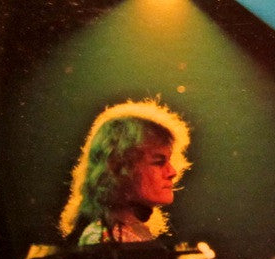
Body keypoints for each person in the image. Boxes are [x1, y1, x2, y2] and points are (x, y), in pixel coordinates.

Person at [58, 99, 191, 246]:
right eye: (159, 162)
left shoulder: (128, 232)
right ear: (119, 169)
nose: (172, 172)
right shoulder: (103, 238)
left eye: (169, 161)